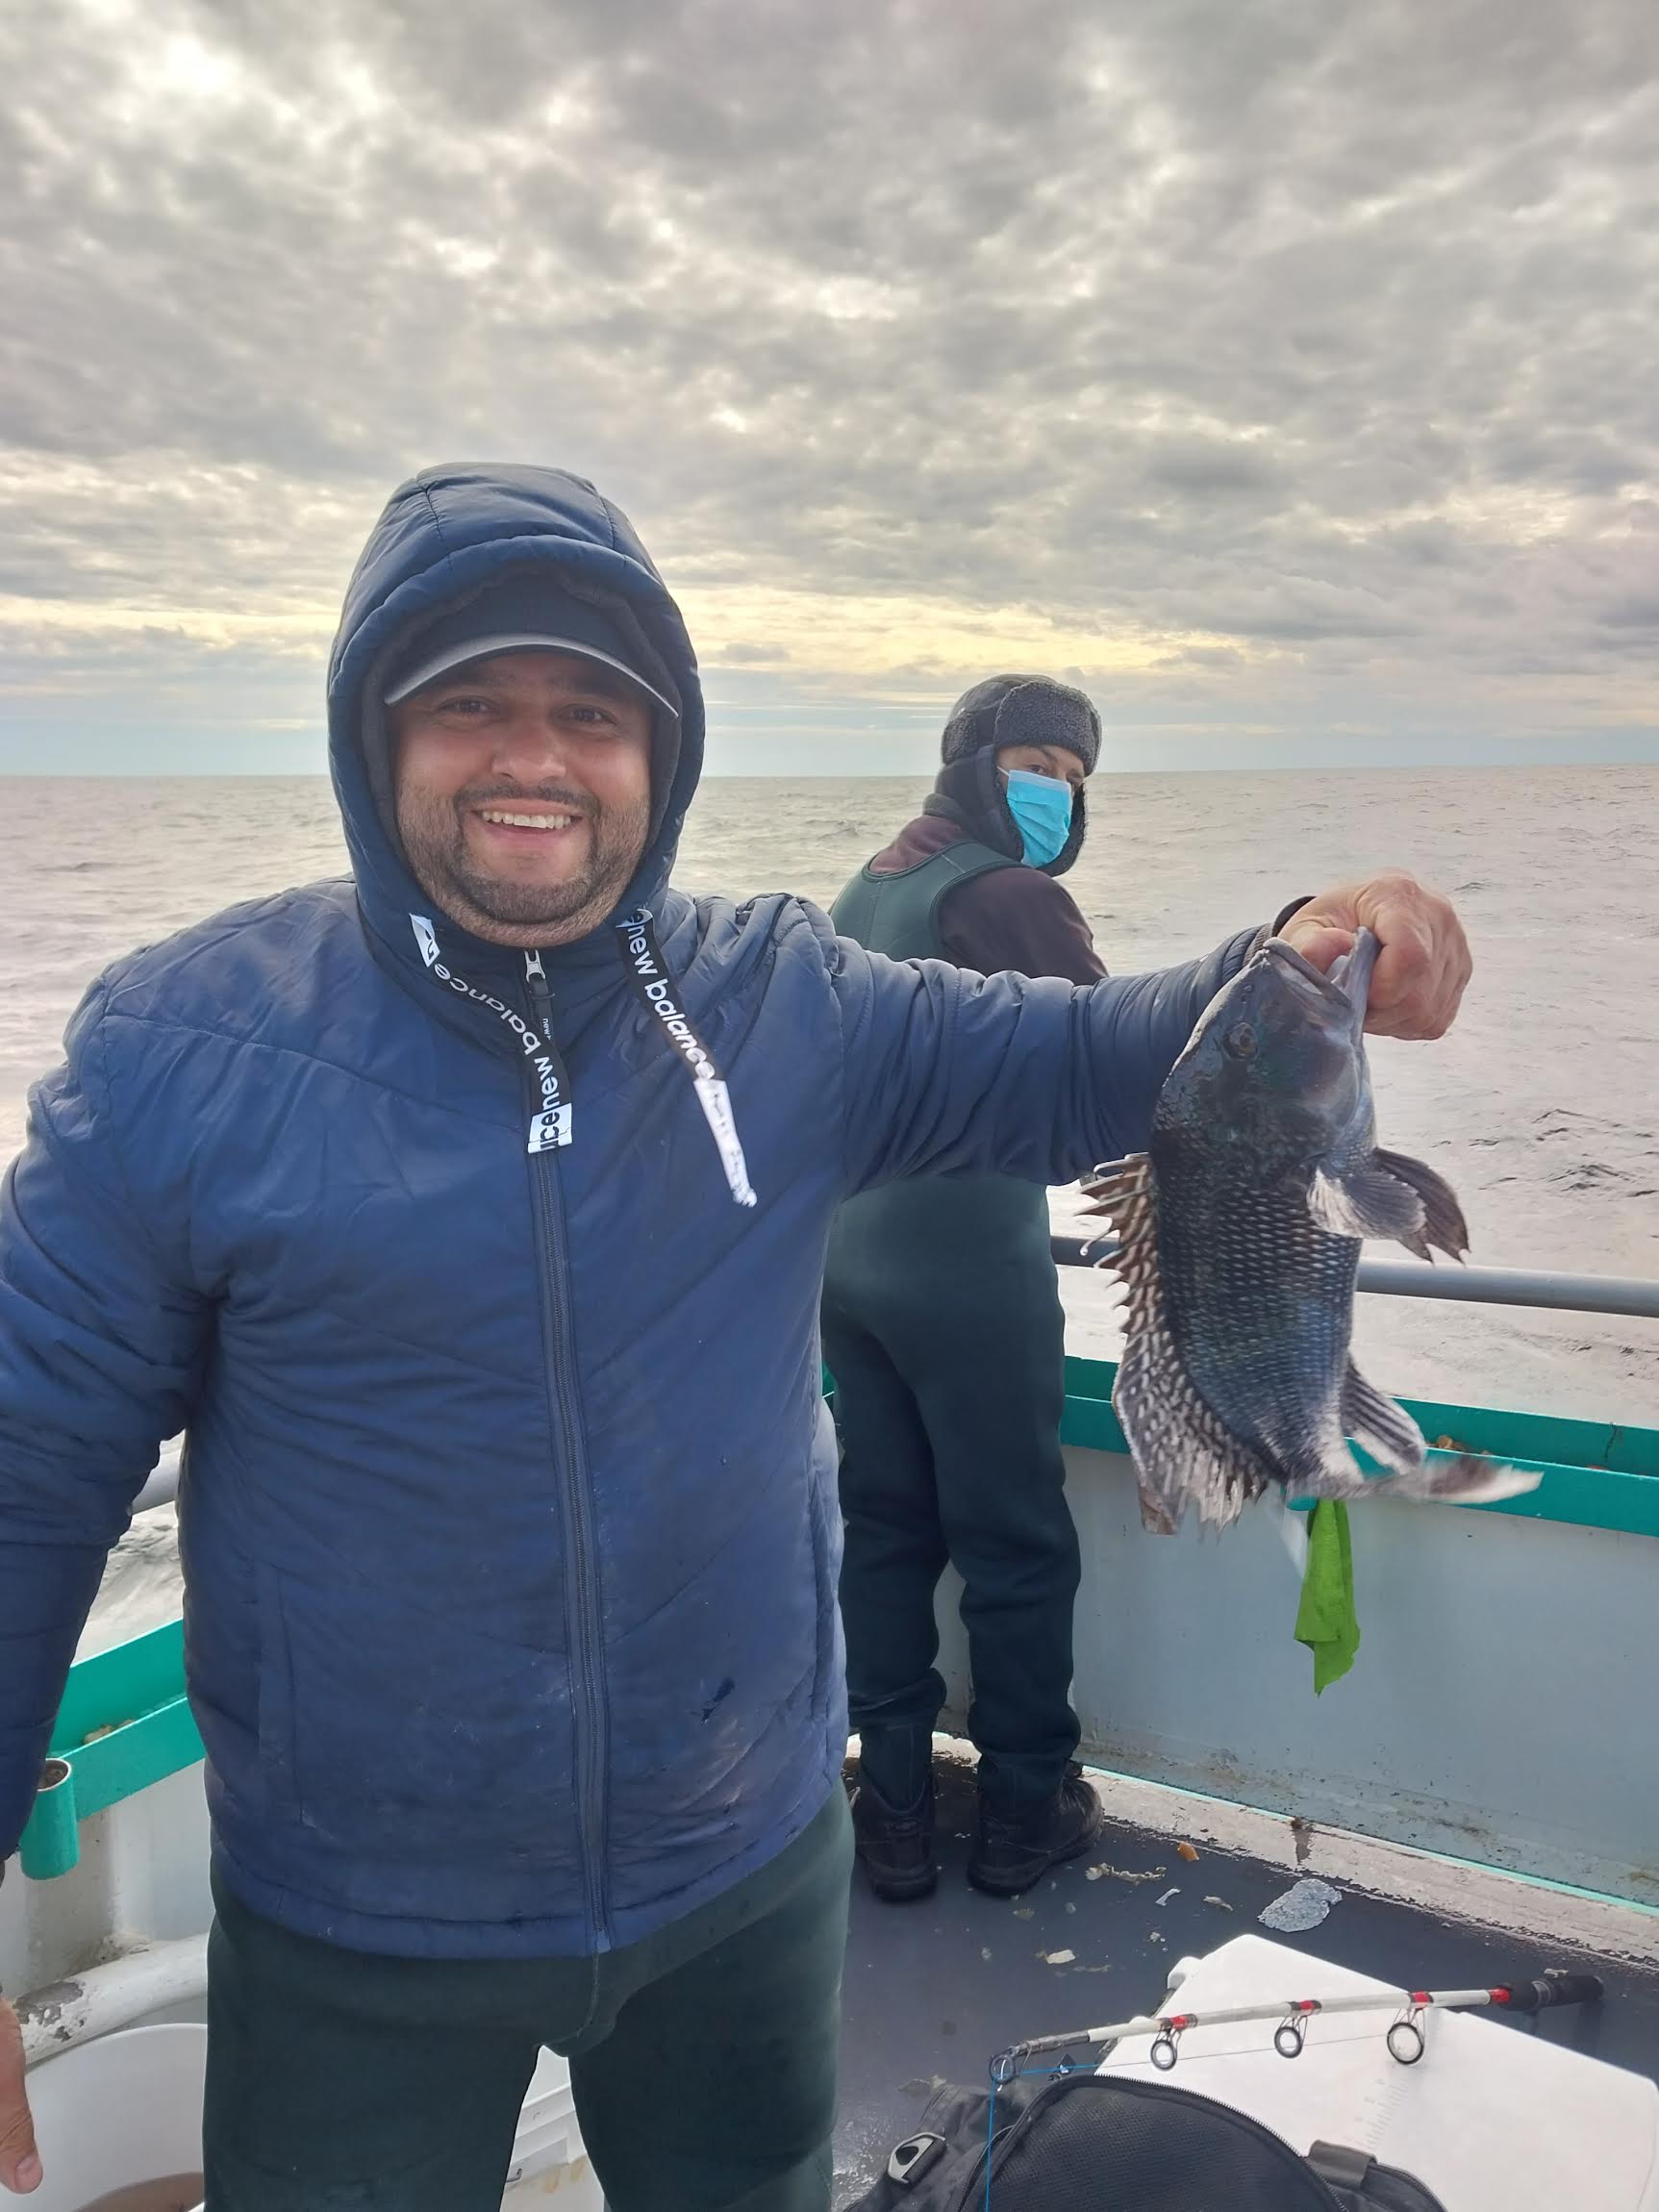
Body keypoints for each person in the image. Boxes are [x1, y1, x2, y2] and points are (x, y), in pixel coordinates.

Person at [0, 464, 1472, 2211]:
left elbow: (1095, 1056)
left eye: (590, 713)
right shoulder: (184, 1050)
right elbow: (30, 1470)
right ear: (369, 737)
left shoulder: (783, 997)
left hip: (747, 1872)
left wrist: (1305, 936)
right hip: (357, 1913)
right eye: (468, 705)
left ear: (664, 747)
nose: (534, 757)